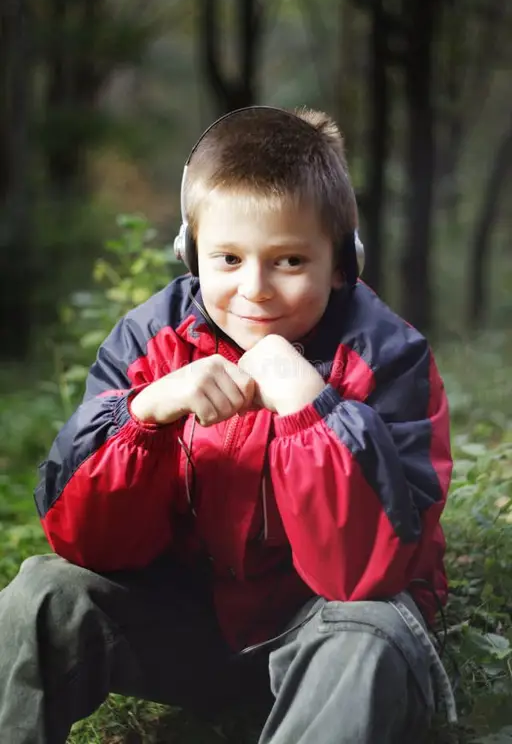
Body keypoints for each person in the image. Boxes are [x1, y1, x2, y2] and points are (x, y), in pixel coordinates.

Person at [0, 106, 456, 744]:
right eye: (229, 259)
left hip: (321, 636)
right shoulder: (150, 340)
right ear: (191, 255)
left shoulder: (389, 357)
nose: (256, 289)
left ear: (342, 261)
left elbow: (364, 575)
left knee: (371, 635)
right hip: (190, 625)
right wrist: (142, 418)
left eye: (290, 261)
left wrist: (310, 408)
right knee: (42, 591)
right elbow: (90, 546)